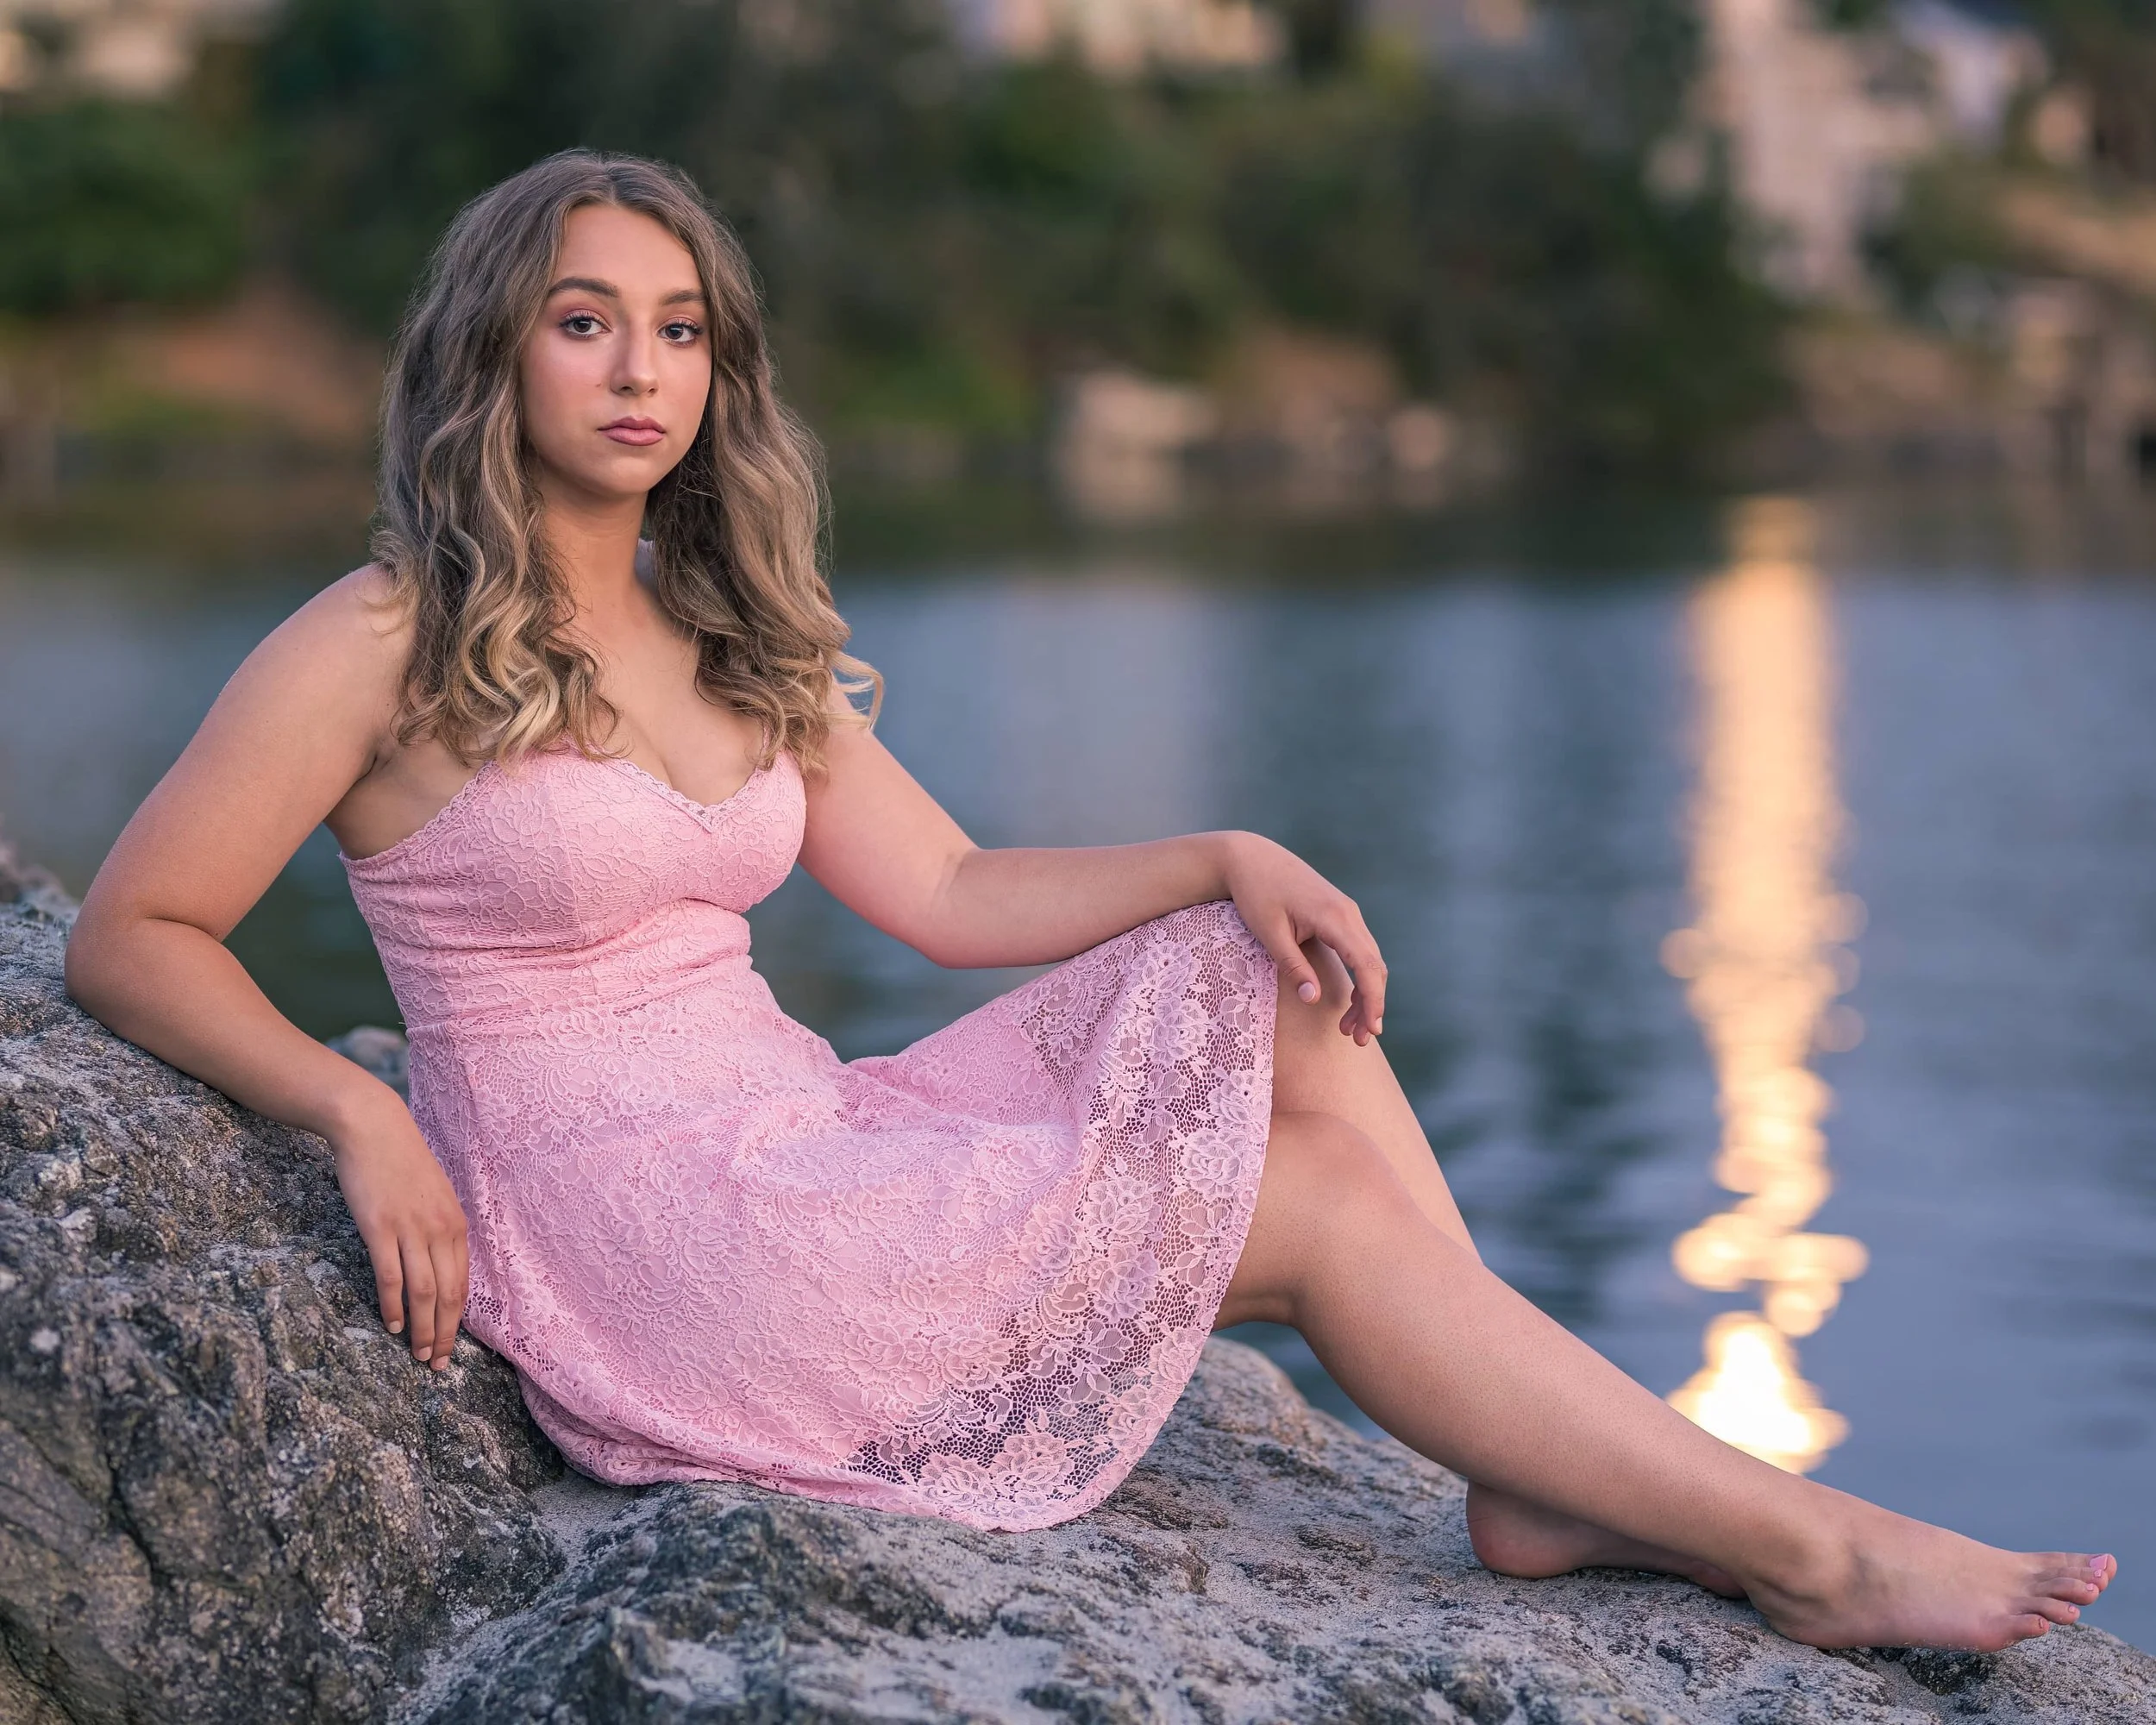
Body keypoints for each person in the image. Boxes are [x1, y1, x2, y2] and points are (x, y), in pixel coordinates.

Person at [64, 149, 2112, 1654]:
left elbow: (949, 888)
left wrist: (1222, 855)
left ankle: (1538, 1469)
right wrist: (360, 1107)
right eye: (583, 320)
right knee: (1308, 1208)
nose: (639, 370)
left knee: (1273, 988)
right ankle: (1807, 1549)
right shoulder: (386, 635)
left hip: (795, 1138)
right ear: (491, 352)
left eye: (679, 329)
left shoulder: (726, 627)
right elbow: (135, 932)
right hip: (642, 1233)